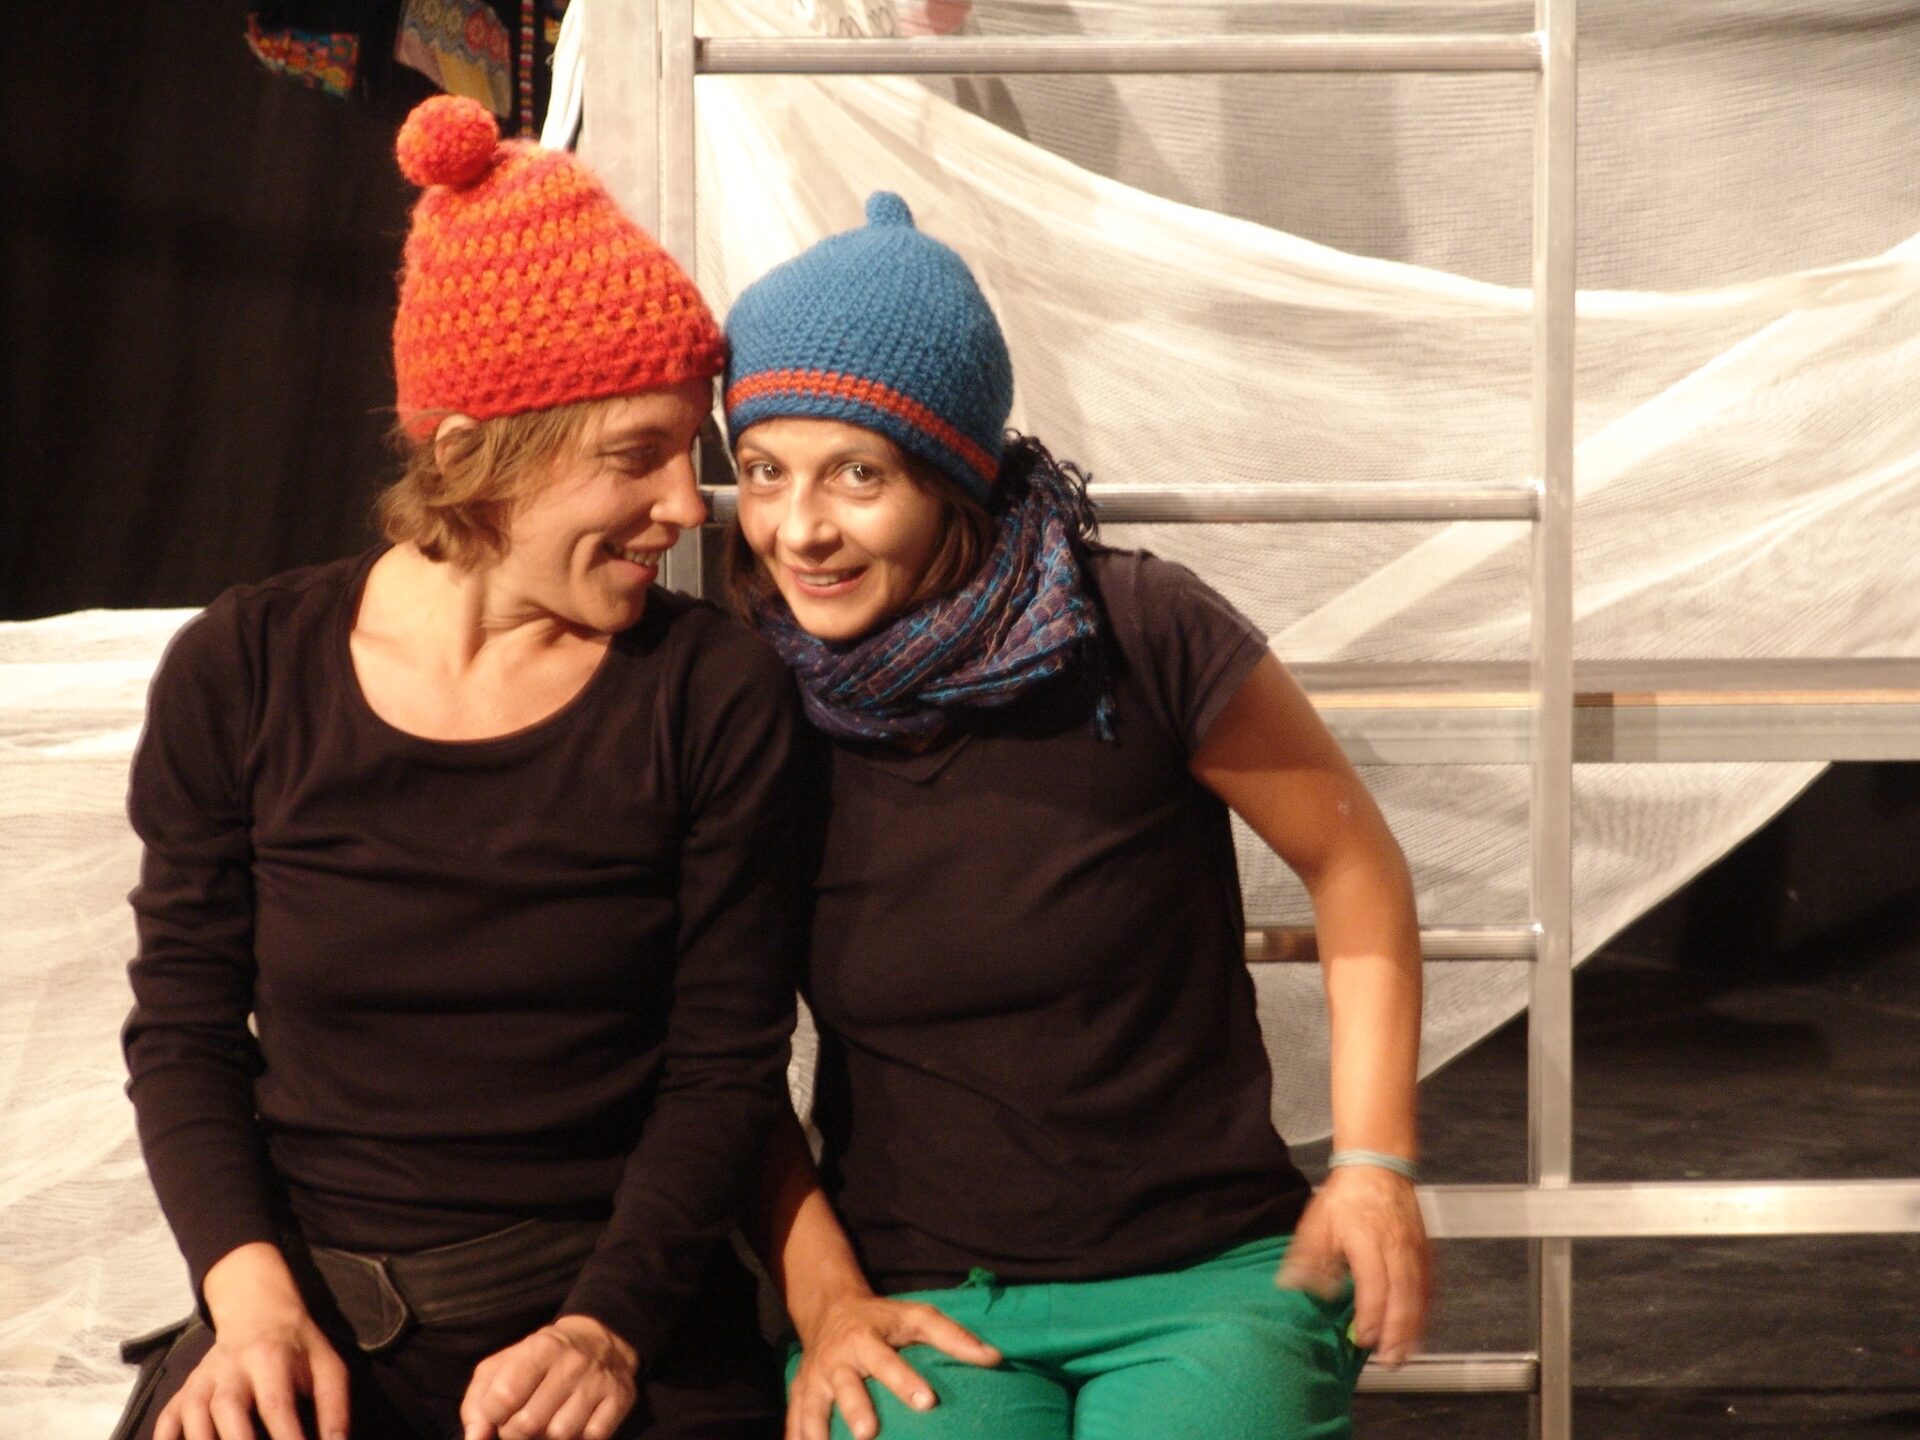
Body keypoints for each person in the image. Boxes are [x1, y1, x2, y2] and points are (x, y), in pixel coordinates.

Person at [118, 96, 802, 1440]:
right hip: (306, 1318)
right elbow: (183, 1032)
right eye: (637, 456)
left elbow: (724, 1068)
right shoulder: (245, 670)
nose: (686, 506)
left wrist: (607, 1330)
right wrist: (251, 1313)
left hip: (611, 1320)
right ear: (473, 458)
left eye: (692, 451)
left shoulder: (710, 693)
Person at [720, 193, 1432, 1440]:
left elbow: (1354, 865)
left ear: (953, 474)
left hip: (1207, 1277)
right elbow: (716, 1048)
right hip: (918, 1292)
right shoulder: (745, 695)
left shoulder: (1140, 630)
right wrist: (827, 1302)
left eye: (858, 474)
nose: (800, 529)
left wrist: (1373, 1165)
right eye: (764, 471)